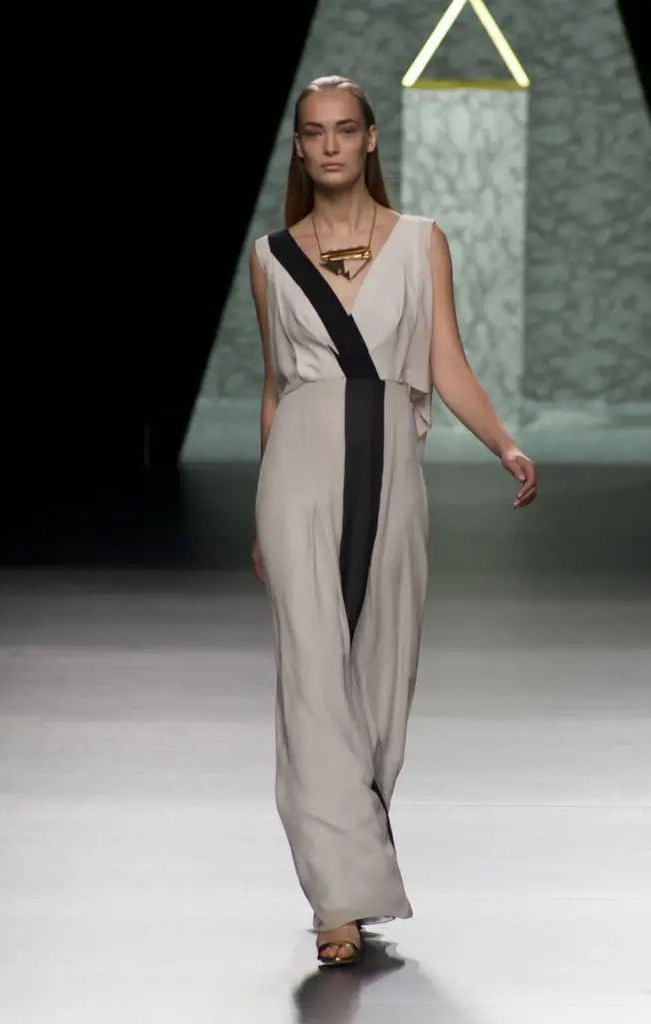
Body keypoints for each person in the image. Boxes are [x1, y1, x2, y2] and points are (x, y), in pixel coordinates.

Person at [248, 75, 537, 968]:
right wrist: (260, 513)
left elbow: (445, 358)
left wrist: (502, 443)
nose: (331, 145)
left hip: (392, 476)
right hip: (297, 474)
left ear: (371, 138)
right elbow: (276, 387)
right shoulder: (271, 258)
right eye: (314, 133)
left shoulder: (420, 242)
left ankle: (355, 857)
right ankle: (336, 900)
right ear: (300, 148)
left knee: (379, 677)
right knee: (312, 678)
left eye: (346, 129)